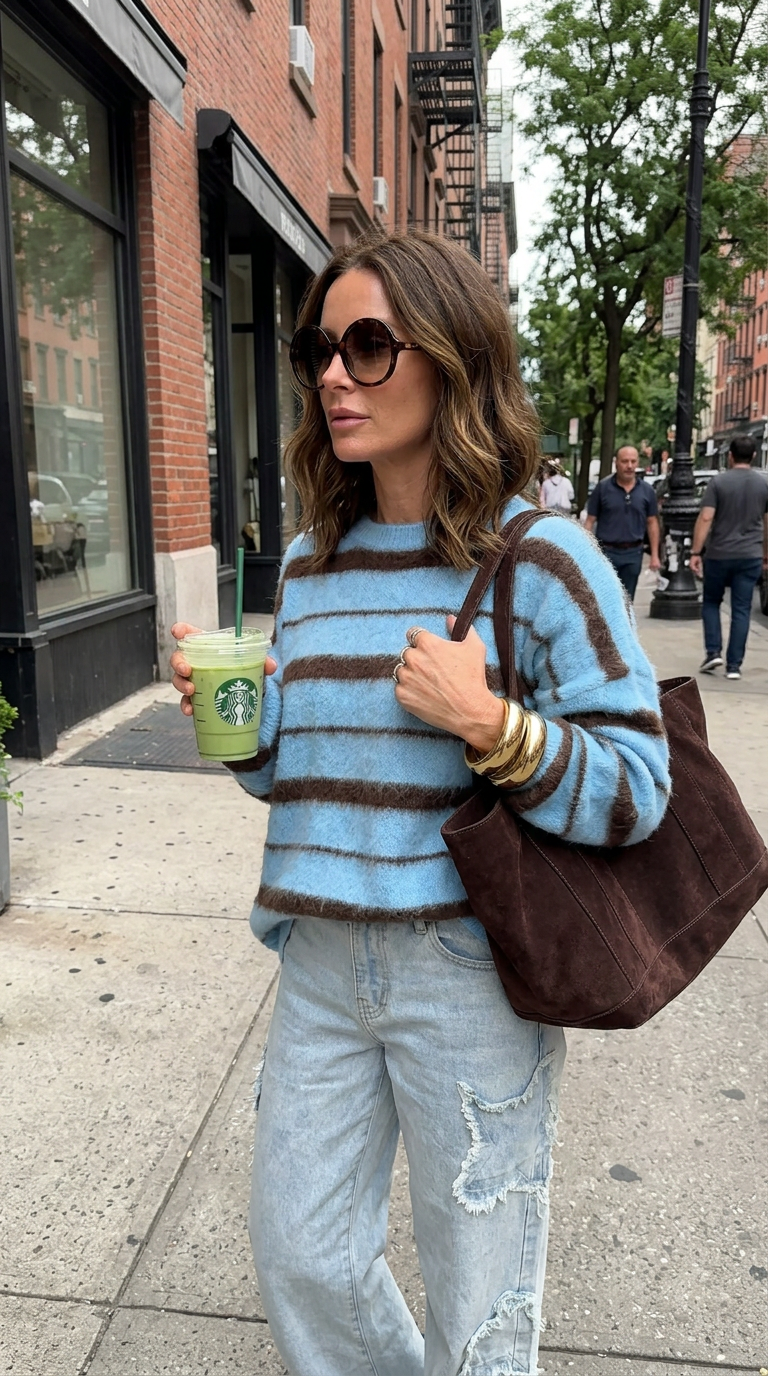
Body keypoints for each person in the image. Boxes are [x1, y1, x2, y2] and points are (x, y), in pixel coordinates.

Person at [170, 231, 670, 1376]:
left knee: (481, 1299)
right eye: (319, 349)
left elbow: (640, 786)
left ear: (452, 358)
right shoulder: (310, 561)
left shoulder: (541, 557)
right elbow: (295, 778)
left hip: (467, 969)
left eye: (368, 345)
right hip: (319, 960)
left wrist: (492, 725)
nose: (333, 375)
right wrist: (249, 729)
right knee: (303, 1253)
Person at [690, 433, 768, 680]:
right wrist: (765, 553)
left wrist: (695, 551)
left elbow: (706, 517)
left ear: (730, 456)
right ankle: (734, 666)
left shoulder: (718, 483)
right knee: (742, 609)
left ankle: (713, 652)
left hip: (719, 554)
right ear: (753, 455)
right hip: (750, 554)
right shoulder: (763, 484)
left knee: (712, 602)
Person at [585, 445, 661, 600]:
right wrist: (586, 552)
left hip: (633, 553)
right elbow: (590, 521)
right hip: (606, 553)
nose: (629, 466)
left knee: (627, 600)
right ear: (616, 463)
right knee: (605, 599)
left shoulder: (647, 491)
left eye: (633, 461)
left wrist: (655, 555)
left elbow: (652, 522)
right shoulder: (603, 488)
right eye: (625, 461)